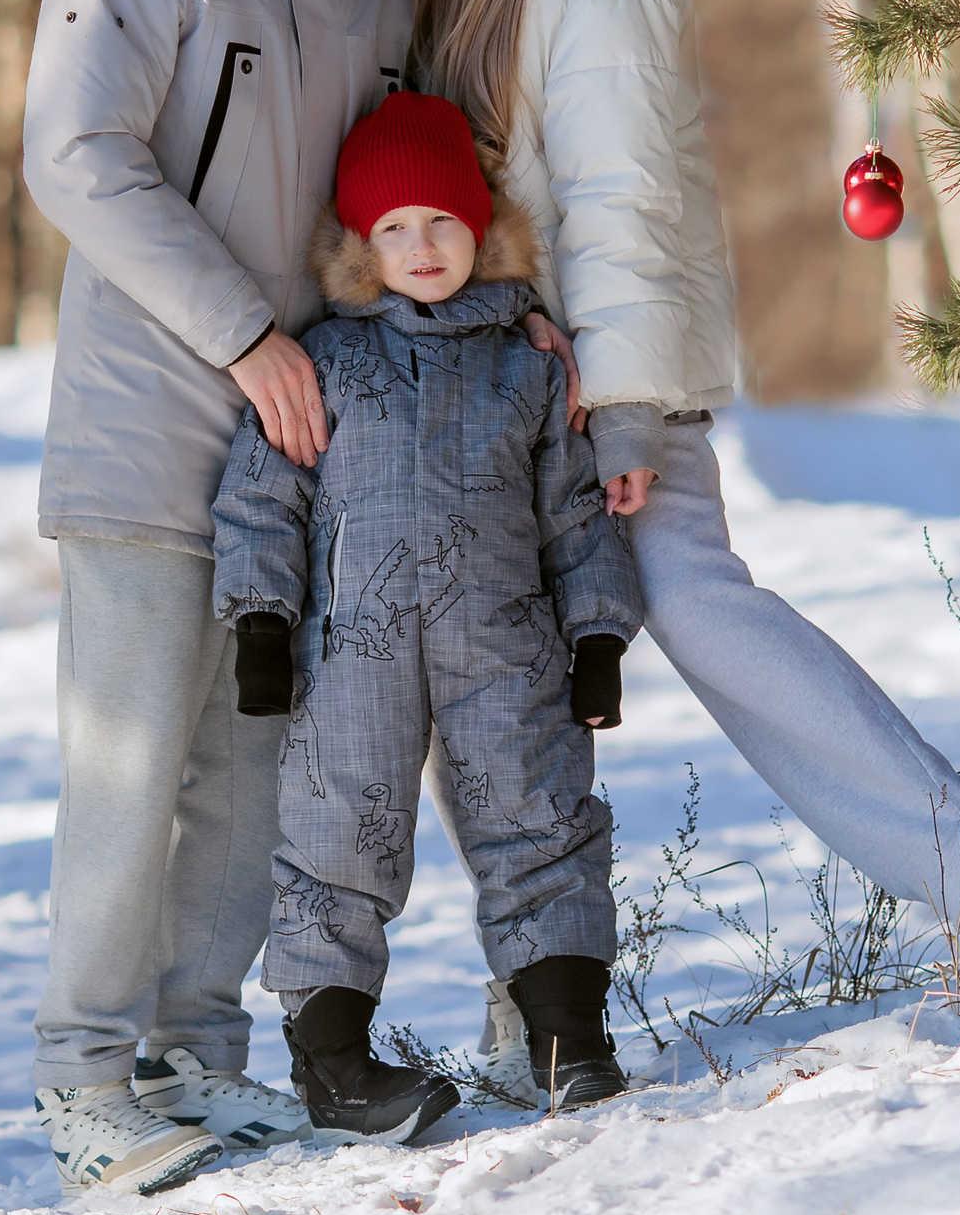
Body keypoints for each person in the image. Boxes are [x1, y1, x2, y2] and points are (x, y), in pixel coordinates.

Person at [393, 0, 960, 1086]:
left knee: (695, 603)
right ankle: (534, 986)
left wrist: (631, 393)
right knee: (494, 677)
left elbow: (626, 197)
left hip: (605, 383)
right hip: (504, 389)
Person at [18, 0, 413, 1197]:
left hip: (293, 438)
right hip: (146, 406)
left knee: (248, 763)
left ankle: (198, 1059)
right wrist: (243, 331)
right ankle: (82, 1079)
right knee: (126, 757)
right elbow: (76, 153)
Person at [209, 91, 645, 1138]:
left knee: (538, 818)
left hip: (506, 644)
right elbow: (262, 498)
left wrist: (596, 636)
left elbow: (574, 512)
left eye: (442, 222)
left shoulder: (526, 369)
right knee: (337, 838)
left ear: (480, 230)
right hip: (348, 654)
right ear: (360, 246)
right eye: (393, 228)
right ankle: (334, 1062)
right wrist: (261, 624)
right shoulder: (325, 362)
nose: (420, 246)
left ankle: (566, 1038)